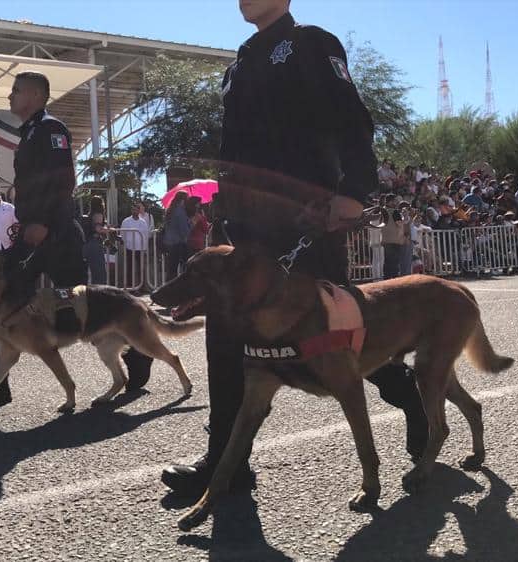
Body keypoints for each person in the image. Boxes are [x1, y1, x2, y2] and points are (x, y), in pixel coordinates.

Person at [160, 0, 428, 497]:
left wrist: (353, 193)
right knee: (226, 334)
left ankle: (407, 396)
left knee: (338, 335)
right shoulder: (241, 59)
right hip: (248, 226)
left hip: (307, 218)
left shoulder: (309, 43)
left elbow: (352, 120)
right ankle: (227, 460)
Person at [0, 71, 153, 407]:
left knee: (85, 302)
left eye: (15, 91)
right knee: (1, 298)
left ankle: (138, 358)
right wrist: (25, 220)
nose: (10, 97)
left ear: (34, 95)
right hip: (33, 232)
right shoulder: (29, 132)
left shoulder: (51, 129)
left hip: (56, 233)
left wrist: (42, 222)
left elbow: (63, 179)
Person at [162, 190, 191, 280]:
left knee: (172, 268)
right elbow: (184, 230)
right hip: (179, 242)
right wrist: (190, 224)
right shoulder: (180, 211)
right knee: (185, 267)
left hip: (170, 242)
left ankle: (168, 289)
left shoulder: (171, 210)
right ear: (183, 200)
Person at [120, 203, 150, 290]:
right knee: (130, 268)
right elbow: (122, 234)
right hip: (129, 248)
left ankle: (142, 287)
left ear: (139, 210)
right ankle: (130, 287)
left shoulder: (143, 222)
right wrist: (126, 244)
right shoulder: (126, 221)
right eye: (133, 209)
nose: (134, 211)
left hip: (140, 248)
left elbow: (145, 234)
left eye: (136, 209)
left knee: (141, 268)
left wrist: (145, 248)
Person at [81, 195, 109, 284]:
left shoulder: (90, 215)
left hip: (87, 243)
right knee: (99, 273)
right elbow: (98, 229)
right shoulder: (98, 214)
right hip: (95, 243)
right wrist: (110, 230)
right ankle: (100, 293)